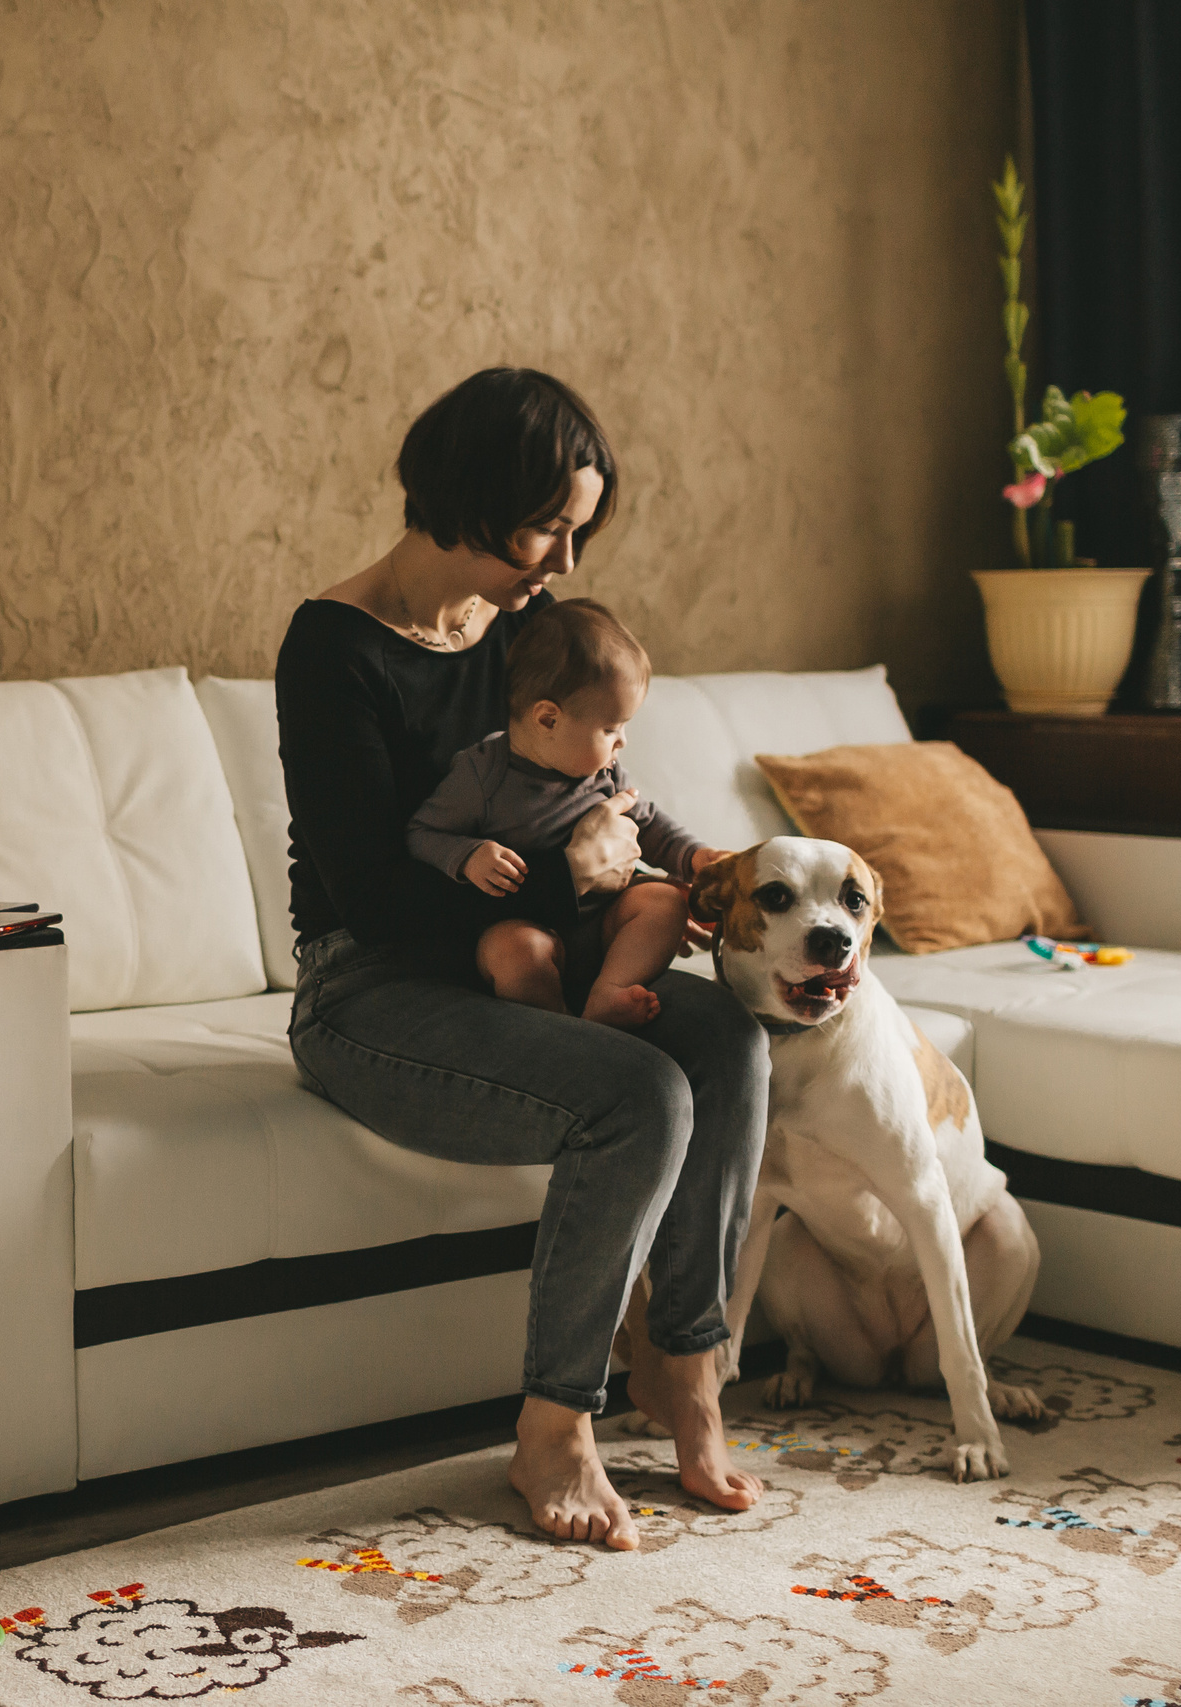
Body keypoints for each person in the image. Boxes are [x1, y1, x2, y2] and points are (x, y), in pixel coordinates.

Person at [277, 367, 769, 1550]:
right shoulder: (333, 648)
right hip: (370, 987)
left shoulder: (526, 643)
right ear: (466, 497)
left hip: (533, 960)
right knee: (637, 1091)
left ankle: (687, 1369)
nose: (561, 559)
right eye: (547, 525)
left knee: (728, 1042)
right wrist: (577, 881)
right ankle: (556, 1424)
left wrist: (664, 887)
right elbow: (377, 895)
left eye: (576, 530)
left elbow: (597, 799)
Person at [406, 598, 725, 1029]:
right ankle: (561, 1026)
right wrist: (467, 856)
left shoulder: (603, 772)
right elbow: (422, 832)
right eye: (611, 728)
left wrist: (695, 858)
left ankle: (607, 992)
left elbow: (647, 822)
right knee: (514, 951)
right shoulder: (482, 775)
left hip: (602, 930)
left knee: (666, 900)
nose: (622, 742)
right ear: (548, 720)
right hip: (530, 930)